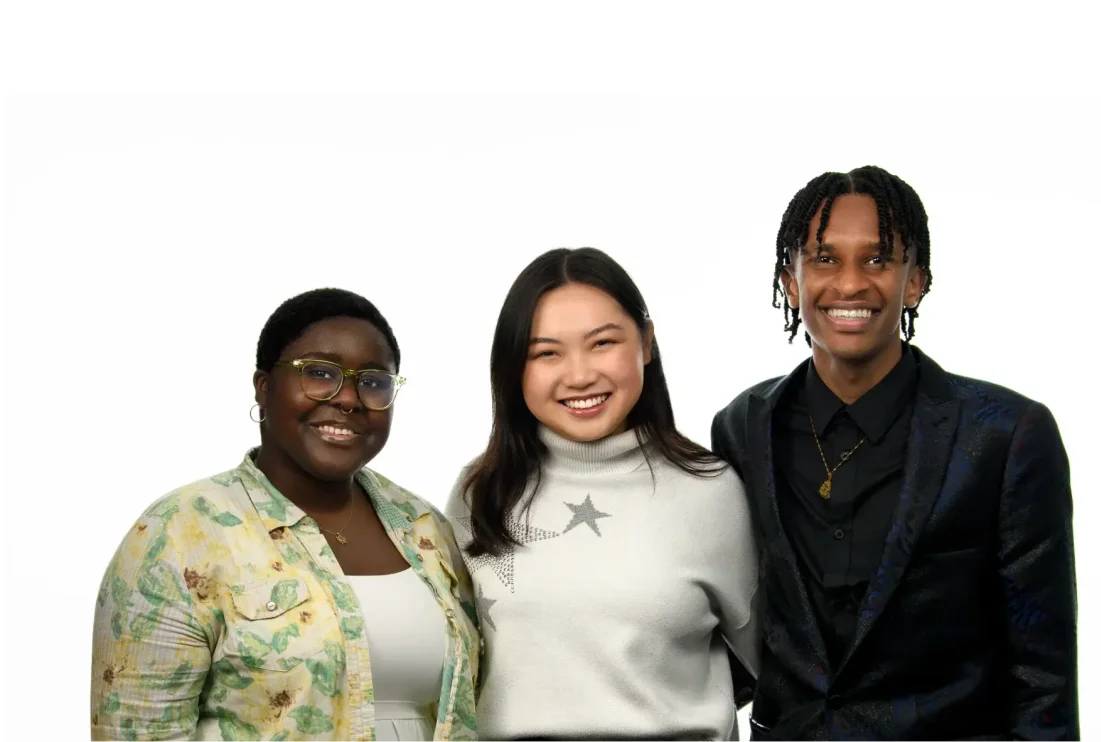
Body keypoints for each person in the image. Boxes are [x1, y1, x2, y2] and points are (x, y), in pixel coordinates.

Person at [711, 166, 1079, 740]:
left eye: (878, 259)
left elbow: (1044, 678)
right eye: (825, 259)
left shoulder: (1006, 436)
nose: (851, 284)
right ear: (791, 280)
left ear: (916, 282)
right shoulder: (742, 427)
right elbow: (739, 626)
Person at [90, 288, 480, 742]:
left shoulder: (424, 527)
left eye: (373, 381)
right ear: (263, 385)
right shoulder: (179, 532)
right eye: (319, 373)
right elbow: (136, 733)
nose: (349, 398)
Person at [446, 247, 759, 741]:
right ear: (513, 367)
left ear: (646, 343)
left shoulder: (710, 490)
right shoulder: (480, 492)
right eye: (546, 352)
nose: (579, 375)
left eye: (602, 343)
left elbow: (780, 669)